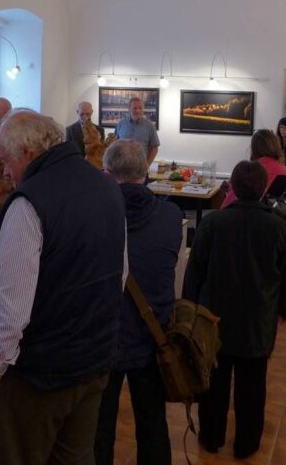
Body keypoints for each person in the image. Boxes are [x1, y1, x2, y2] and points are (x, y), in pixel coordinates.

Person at [0, 111, 126, 465]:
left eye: (6, 159)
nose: (6, 172)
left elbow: (11, 305)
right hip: (94, 362)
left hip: (37, 377)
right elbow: (120, 274)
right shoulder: (106, 186)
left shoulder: (29, 202)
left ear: (27, 152)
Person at [183, 160, 286, 459]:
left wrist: (190, 309)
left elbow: (194, 272)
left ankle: (211, 436)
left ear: (232, 187)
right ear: (263, 189)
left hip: (214, 317)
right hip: (257, 318)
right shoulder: (279, 226)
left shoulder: (213, 223)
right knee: (253, 384)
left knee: (214, 381)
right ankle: (247, 442)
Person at [95, 140, 181, 465]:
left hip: (105, 337)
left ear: (107, 174)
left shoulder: (94, 217)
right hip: (152, 333)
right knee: (153, 423)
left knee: (99, 429)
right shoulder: (170, 216)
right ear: (145, 172)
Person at [220, 129, 286, 225]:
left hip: (246, 225)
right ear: (276, 147)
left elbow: (230, 204)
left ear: (254, 149)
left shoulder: (246, 171)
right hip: (278, 227)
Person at [115, 97, 160, 166]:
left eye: (140, 108)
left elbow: (154, 148)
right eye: (135, 108)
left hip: (140, 167)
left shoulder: (150, 126)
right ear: (129, 109)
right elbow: (115, 143)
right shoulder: (121, 124)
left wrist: (147, 165)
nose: (137, 110)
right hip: (121, 166)